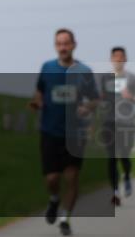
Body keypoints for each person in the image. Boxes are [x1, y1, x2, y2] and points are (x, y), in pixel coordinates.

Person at [28, 28, 99, 235]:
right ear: (55, 46)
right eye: (59, 44)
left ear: (74, 45)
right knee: (52, 179)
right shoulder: (47, 68)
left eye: (66, 43)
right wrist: (37, 103)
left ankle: (64, 219)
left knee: (72, 177)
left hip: (75, 133)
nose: (63, 47)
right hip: (50, 131)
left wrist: (87, 107)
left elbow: (95, 98)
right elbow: (40, 92)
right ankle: (54, 199)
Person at [101, 46, 134, 205]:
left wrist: (131, 97)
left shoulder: (131, 79)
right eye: (116, 57)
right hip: (109, 122)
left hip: (126, 122)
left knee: (124, 155)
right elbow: (101, 98)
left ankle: (126, 176)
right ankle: (114, 192)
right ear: (111, 59)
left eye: (121, 56)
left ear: (125, 59)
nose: (119, 59)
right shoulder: (105, 78)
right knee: (112, 157)